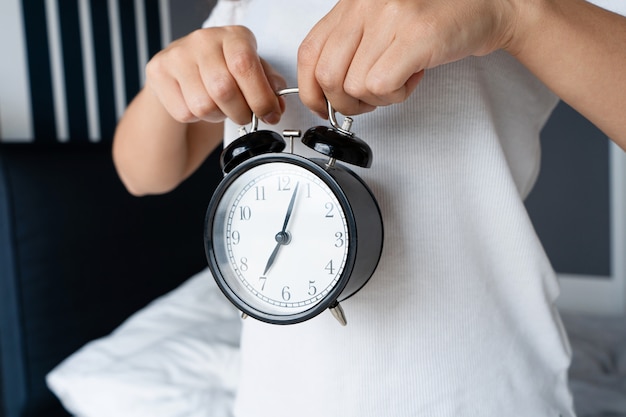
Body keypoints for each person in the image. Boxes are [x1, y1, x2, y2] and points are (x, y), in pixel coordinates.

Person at [112, 0, 626, 416]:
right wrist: (174, 76)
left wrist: (512, 15)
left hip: (486, 394)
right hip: (282, 400)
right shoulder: (242, 6)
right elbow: (140, 174)